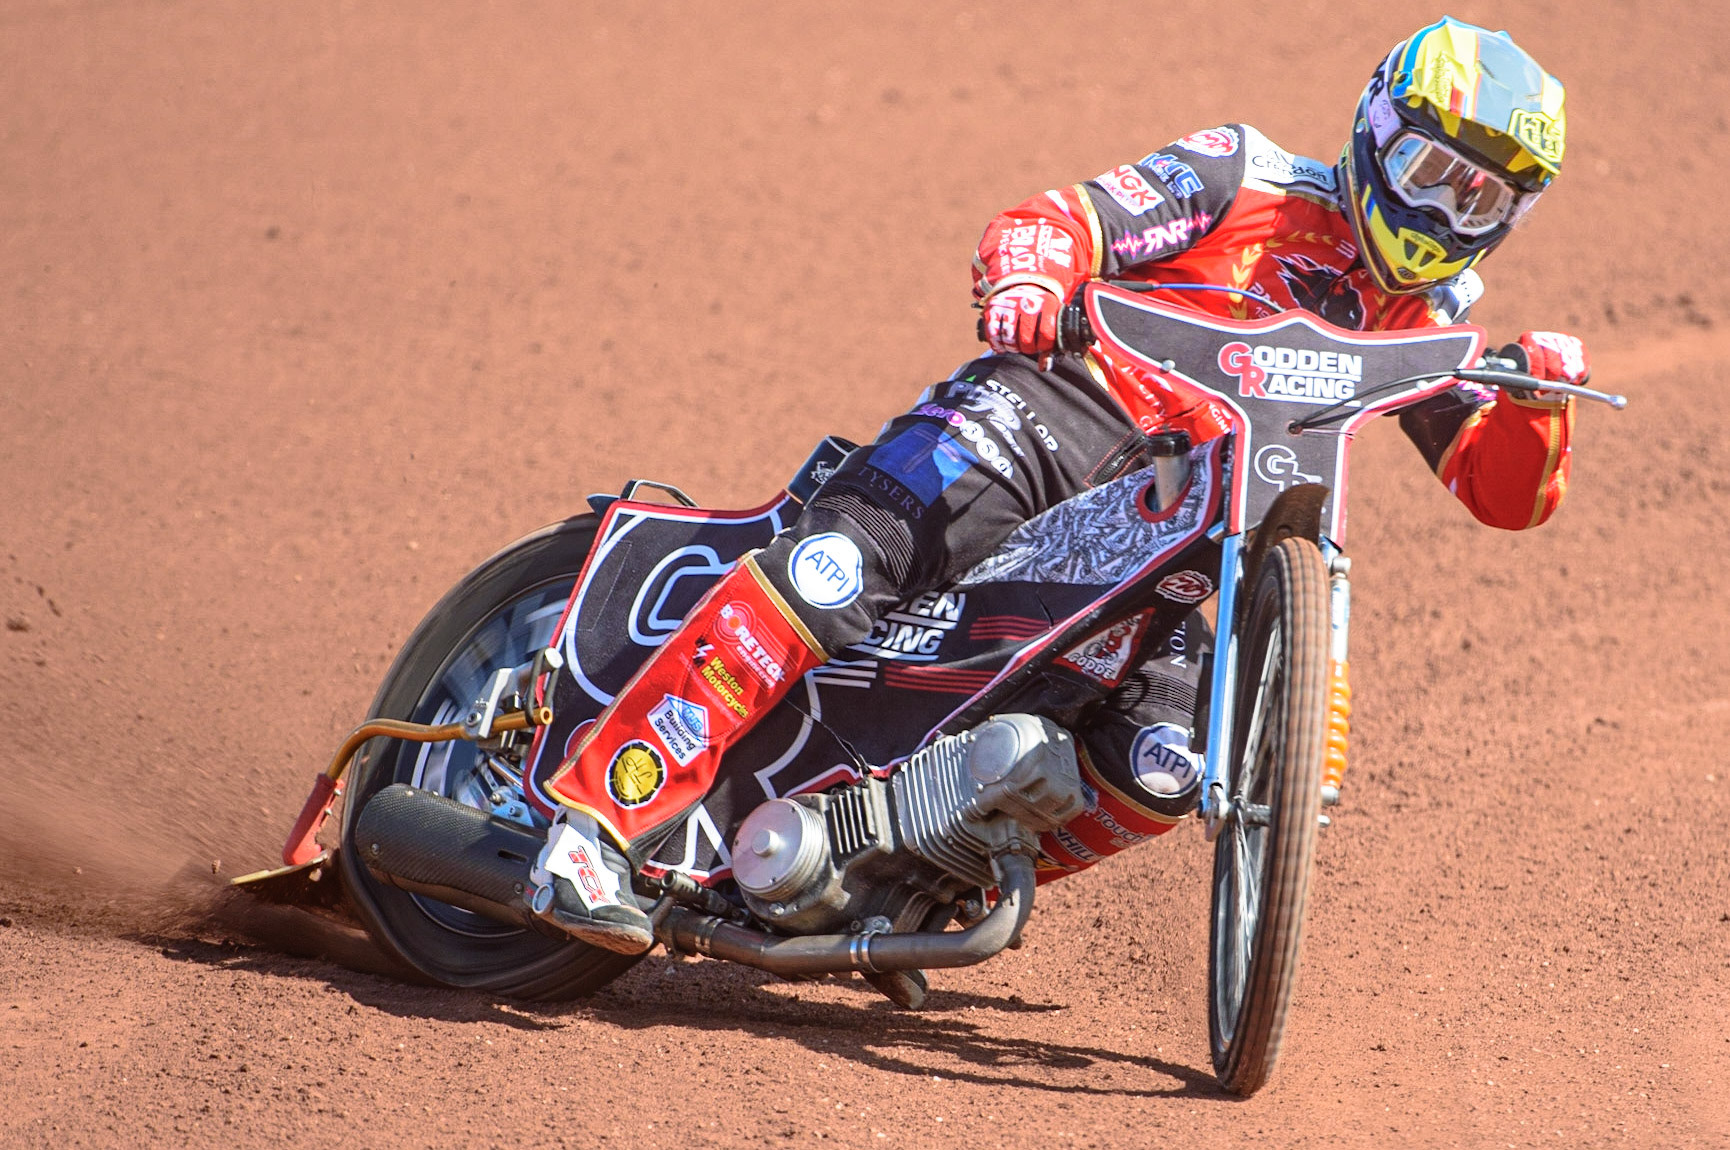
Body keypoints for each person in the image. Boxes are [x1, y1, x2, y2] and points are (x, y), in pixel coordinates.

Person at [529, 16, 1590, 955]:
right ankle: (591, 825)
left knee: (1162, 764)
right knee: (834, 568)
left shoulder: (1424, 319)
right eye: (1422, 166)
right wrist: (1034, 279)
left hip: (1183, 531)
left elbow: (1499, 494)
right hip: (1055, 413)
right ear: (1371, 129)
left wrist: (1538, 403)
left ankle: (908, 873)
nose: (1439, 206)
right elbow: (1061, 219)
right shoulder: (1245, 176)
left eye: (1477, 192)